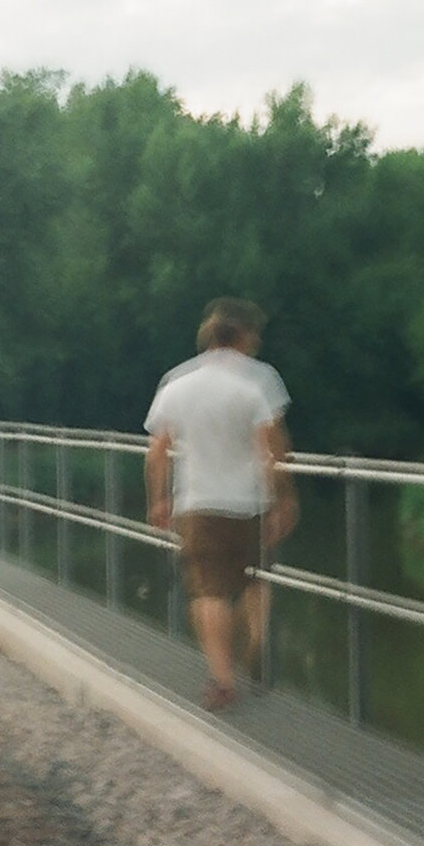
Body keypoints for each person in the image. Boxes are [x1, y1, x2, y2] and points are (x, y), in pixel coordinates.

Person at [144, 298, 298, 711]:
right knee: (254, 576)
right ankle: (258, 640)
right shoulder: (258, 382)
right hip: (251, 502)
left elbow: (157, 451)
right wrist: (284, 498)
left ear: (207, 336)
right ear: (244, 337)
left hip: (198, 503)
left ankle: (223, 681)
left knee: (208, 590)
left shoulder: (177, 383)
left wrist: (158, 500)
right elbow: (273, 448)